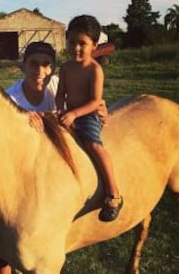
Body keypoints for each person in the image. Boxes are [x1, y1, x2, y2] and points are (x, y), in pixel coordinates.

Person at [0, 40, 108, 274]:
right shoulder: (10, 99)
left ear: (53, 69)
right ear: (22, 66)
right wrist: (24, 118)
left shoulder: (57, 85)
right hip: (19, 171)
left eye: (46, 65)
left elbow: (80, 109)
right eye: (33, 64)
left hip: (52, 167)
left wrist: (99, 110)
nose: (40, 71)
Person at [55, 14, 123, 222]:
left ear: (94, 45)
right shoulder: (65, 68)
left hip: (86, 116)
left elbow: (95, 101)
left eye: (82, 43)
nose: (76, 47)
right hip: (67, 114)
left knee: (93, 146)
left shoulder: (95, 70)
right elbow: (60, 94)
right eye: (72, 42)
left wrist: (75, 114)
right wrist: (60, 111)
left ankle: (113, 193)